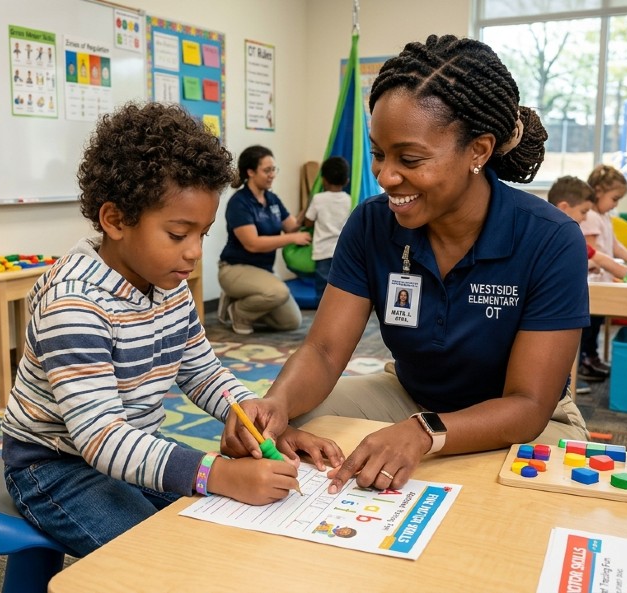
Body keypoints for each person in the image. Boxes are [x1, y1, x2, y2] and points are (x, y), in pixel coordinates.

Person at [222, 34, 591, 495]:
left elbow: (528, 404)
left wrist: (423, 433)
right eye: (378, 153)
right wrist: (275, 405)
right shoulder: (372, 225)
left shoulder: (550, 238)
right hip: (409, 396)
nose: (386, 176)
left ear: (478, 150)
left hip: (520, 420)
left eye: (410, 159)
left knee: (509, 498)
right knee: (294, 423)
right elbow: (322, 351)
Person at [1, 102, 342, 558]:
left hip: (130, 443)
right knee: (161, 554)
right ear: (116, 220)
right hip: (55, 465)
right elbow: (101, 438)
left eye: (202, 234)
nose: (194, 253)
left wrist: (249, 415)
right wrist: (218, 473)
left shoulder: (168, 284)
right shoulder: (75, 303)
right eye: (179, 234)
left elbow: (201, 372)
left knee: (218, 527)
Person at [217, 145, 311, 335]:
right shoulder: (239, 203)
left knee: (291, 322)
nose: (272, 175)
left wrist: (310, 206)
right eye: (267, 170)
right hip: (235, 268)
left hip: (263, 271)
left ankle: (244, 302)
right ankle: (237, 312)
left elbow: (291, 226)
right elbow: (252, 244)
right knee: (279, 292)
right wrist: (292, 238)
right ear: (250, 172)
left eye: (273, 169)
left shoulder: (272, 199)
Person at [577, 164, 627, 382]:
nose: (615, 204)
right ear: (598, 191)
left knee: (596, 323)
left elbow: (615, 244)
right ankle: (585, 361)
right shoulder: (590, 216)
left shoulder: (604, 216)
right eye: (614, 198)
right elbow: (591, 252)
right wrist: (622, 271)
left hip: (603, 280)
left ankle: (592, 356)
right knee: (588, 326)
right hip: (592, 280)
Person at [549, 175, 627, 281]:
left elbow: (600, 259)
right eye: (583, 212)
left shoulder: (571, 238)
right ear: (563, 208)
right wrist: (588, 265)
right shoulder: (549, 237)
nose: (585, 219)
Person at [301, 156, 352, 303]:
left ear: (323, 180)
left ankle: (321, 318)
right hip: (342, 252)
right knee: (341, 287)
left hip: (322, 252)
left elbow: (308, 222)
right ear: (346, 181)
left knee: (323, 291)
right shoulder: (349, 199)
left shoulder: (318, 199)